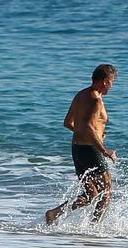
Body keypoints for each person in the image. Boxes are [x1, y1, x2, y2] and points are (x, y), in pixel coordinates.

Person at [45, 64, 118, 225]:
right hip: (91, 150)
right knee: (106, 194)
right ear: (105, 81)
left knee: (91, 194)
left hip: (77, 149)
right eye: (112, 82)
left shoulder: (81, 95)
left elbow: (68, 123)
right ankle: (94, 228)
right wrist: (104, 149)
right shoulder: (96, 100)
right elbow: (90, 127)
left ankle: (54, 213)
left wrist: (87, 135)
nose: (112, 86)